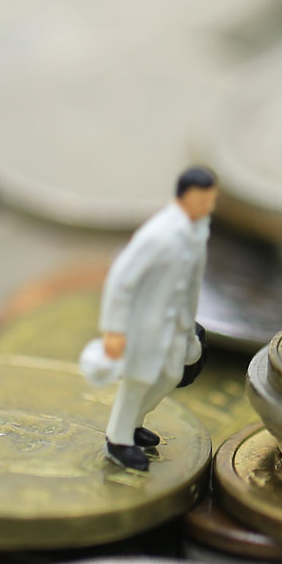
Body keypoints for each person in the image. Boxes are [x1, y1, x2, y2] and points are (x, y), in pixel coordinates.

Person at [83, 166, 215, 471]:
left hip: (175, 323)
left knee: (168, 376)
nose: (207, 204)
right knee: (138, 380)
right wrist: (114, 330)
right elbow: (121, 279)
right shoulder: (159, 235)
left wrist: (187, 325)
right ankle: (118, 439)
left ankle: (133, 424)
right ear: (185, 197)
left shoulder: (197, 231)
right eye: (202, 198)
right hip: (146, 324)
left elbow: (191, 283)